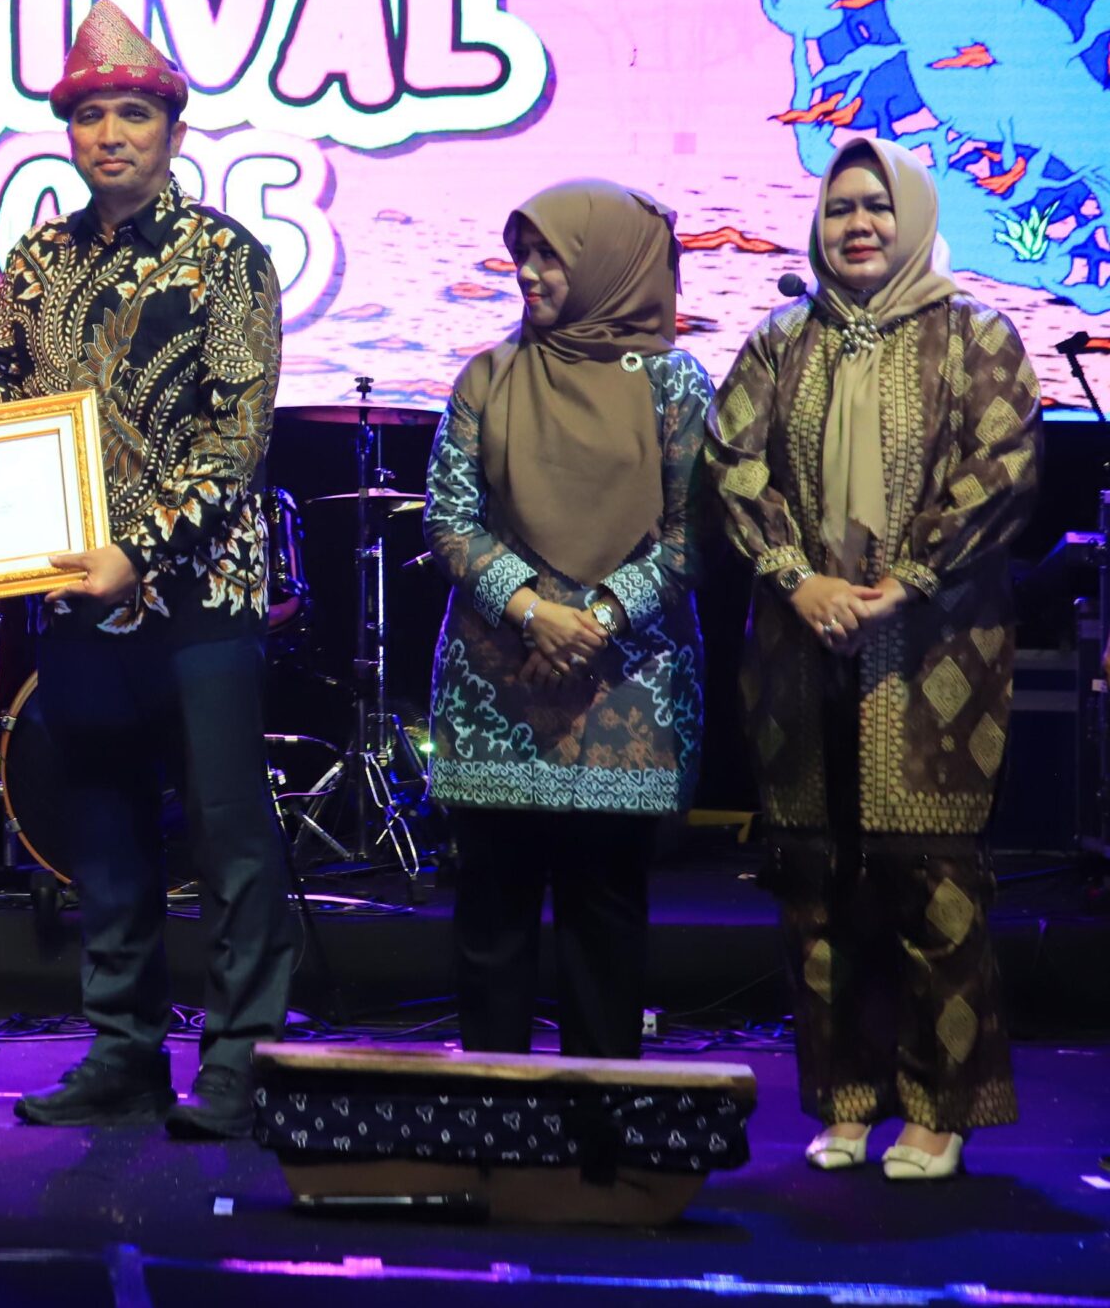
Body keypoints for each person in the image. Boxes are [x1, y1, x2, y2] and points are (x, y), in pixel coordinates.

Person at [0, 0, 299, 1139]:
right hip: (76, 593)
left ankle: (240, 1058)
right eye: (88, 116)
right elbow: (1, 407)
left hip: (200, 596)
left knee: (228, 833)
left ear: (174, 128)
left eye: (131, 113)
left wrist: (142, 550)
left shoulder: (228, 256)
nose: (109, 133)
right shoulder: (38, 258)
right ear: (67, 133)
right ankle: (123, 1050)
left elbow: (235, 440)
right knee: (106, 835)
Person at [707, 137, 1040, 1181]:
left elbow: (1004, 465)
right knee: (816, 878)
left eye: (877, 207)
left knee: (928, 878)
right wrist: (794, 577)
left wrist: (907, 578)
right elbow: (731, 462)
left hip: (936, 646)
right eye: (841, 207)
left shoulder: (977, 333)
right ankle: (846, 1096)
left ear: (915, 216)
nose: (858, 225)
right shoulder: (779, 341)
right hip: (800, 644)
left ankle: (939, 1108)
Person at [423, 181, 709, 1060]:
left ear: (609, 265)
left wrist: (595, 619)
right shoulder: (488, 375)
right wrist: (533, 612)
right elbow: (449, 520)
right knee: (492, 921)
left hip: (624, 689)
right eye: (525, 254)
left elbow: (695, 536)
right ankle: (494, 1115)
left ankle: (598, 1124)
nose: (529, 272)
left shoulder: (674, 384)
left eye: (552, 255)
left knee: (604, 923)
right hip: (496, 685)